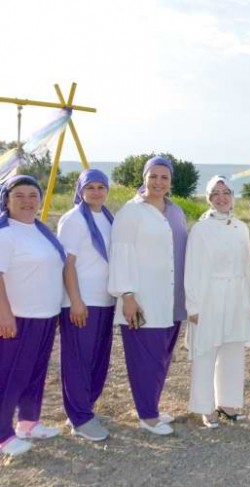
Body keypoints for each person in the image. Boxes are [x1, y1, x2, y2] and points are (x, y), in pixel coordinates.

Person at [108, 156, 188, 436]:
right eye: (153, 176)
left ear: (171, 182)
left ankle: (151, 405)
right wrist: (127, 295)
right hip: (143, 299)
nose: (158, 182)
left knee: (162, 357)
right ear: (144, 178)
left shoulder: (176, 211)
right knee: (145, 359)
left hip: (173, 299)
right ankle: (147, 415)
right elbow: (120, 255)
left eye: (164, 177)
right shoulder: (131, 212)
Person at [185, 176, 250, 429]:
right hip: (210, 297)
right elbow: (192, 268)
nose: (221, 197)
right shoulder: (200, 229)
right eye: (215, 193)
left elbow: (248, 266)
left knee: (232, 351)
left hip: (237, 296)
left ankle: (227, 404)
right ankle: (205, 407)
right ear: (208, 198)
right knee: (206, 351)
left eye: (225, 192)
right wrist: (193, 306)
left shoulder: (240, 227)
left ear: (232, 196)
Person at [0, 175, 65, 456]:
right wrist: (4, 314)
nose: (27, 201)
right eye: (19, 196)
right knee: (9, 376)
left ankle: (29, 421)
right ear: (7, 200)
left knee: (35, 372)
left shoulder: (40, 230)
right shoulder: (5, 233)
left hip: (45, 316)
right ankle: (3, 435)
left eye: (32, 195)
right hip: (18, 317)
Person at [57, 169, 117, 441]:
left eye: (100, 187)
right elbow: (67, 264)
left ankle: (86, 408)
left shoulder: (107, 217)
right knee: (78, 360)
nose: (96, 192)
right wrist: (76, 301)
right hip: (81, 302)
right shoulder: (73, 220)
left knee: (97, 359)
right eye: (90, 187)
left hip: (104, 300)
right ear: (80, 190)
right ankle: (79, 417)